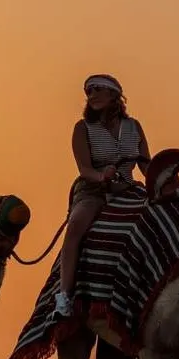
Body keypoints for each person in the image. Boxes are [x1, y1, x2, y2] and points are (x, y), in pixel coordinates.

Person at [52, 74, 150, 318]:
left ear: (114, 94)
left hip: (128, 189)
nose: (92, 95)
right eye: (89, 91)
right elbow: (84, 168)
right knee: (75, 227)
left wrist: (165, 175)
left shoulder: (134, 127)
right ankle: (64, 297)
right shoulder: (82, 128)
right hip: (94, 190)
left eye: (97, 89)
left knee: (158, 220)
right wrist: (100, 176)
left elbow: (145, 164)